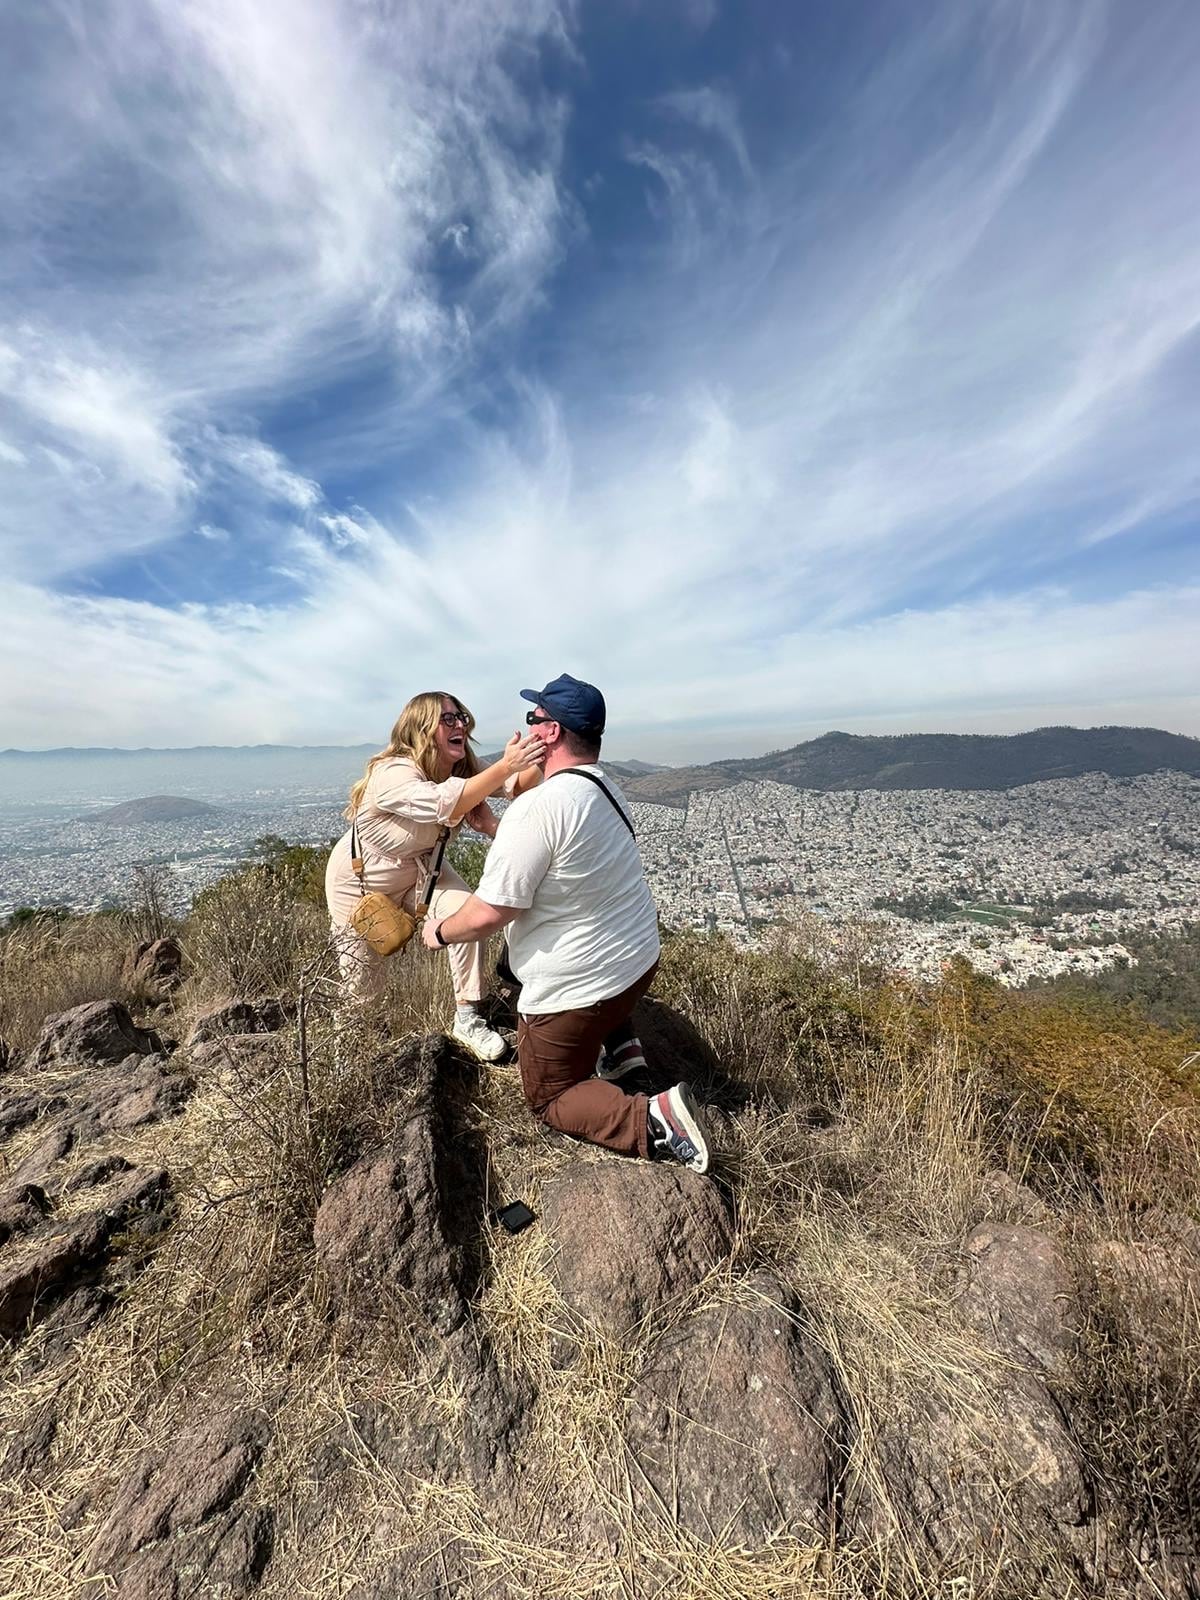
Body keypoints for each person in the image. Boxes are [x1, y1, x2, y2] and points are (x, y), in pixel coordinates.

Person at [422, 673, 711, 1172]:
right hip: (637, 966)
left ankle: (658, 1120)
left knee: (550, 1096)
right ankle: (623, 1052)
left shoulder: (539, 807)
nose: (526, 728)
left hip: (587, 986)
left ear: (550, 733)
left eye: (532, 719)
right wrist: (497, 824)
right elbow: (560, 864)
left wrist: (439, 931)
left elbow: (492, 911)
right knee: (522, 964)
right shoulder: (603, 788)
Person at [325, 691, 545, 1060]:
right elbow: (445, 802)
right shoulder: (392, 772)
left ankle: (468, 1015)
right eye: (448, 719)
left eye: (462, 718)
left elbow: (512, 788)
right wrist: (505, 767)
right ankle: (346, 1055)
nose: (460, 725)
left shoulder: (459, 769)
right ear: (421, 728)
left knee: (468, 914)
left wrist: (543, 750)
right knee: (363, 987)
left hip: (421, 872)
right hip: (361, 883)